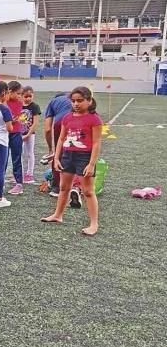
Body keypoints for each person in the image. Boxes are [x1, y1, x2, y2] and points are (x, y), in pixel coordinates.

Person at [41, 86, 102, 236]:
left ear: (89, 100)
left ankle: (94, 224)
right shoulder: (67, 117)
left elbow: (96, 142)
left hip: (84, 157)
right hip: (67, 155)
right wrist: (56, 158)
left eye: (80, 101)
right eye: (73, 101)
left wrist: (91, 163)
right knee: (63, 188)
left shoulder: (94, 119)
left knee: (88, 191)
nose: (76, 104)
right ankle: (57, 215)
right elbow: (61, 138)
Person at [43, 93, 73, 196]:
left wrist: (51, 149)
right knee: (79, 153)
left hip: (61, 123)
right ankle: (77, 186)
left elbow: (47, 129)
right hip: (80, 122)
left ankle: (56, 188)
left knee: (59, 155)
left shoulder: (53, 102)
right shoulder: (75, 98)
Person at [19, 86, 41, 184]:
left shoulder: (34, 106)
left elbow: (35, 123)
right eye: (26, 96)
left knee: (29, 153)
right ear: (22, 96)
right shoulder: (19, 105)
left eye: (30, 96)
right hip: (19, 134)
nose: (28, 98)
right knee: (18, 154)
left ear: (33, 95)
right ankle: (19, 173)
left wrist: (28, 134)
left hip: (30, 134)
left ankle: (29, 174)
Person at [6, 81, 24, 195]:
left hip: (16, 133)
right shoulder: (3, 102)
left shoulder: (19, 102)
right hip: (4, 133)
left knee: (16, 158)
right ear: (10, 92)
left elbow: (15, 118)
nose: (20, 96)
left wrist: (12, 120)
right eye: (18, 93)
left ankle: (19, 184)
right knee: (2, 158)